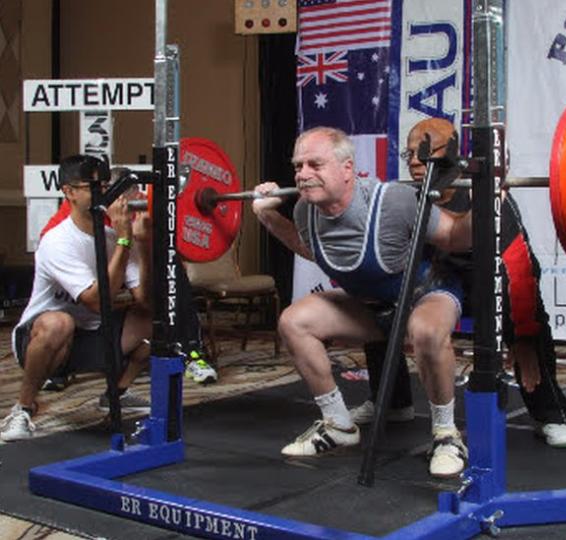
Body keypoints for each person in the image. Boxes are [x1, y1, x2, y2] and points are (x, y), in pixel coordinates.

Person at [252, 126, 473, 478]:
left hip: (424, 295)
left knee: (426, 332)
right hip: (372, 308)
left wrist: (491, 193)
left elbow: (452, 236)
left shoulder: (393, 201)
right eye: (298, 167)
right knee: (294, 321)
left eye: (315, 164)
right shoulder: (304, 213)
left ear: (347, 169)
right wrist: (268, 217)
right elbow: (310, 249)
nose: (303, 175)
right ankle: (337, 424)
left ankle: (446, 435)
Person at [349, 118, 566, 449]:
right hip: (439, 286)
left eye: (426, 152)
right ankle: (396, 403)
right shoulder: (407, 197)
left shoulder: (484, 196)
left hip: (487, 285)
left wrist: (523, 335)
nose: (414, 160)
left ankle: (551, 414)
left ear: (454, 152)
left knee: (527, 319)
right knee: (381, 303)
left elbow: (519, 267)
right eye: (409, 153)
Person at [1, 155, 153, 443]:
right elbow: (96, 301)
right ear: (68, 191)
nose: (103, 194)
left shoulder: (114, 235)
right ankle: (21, 409)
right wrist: (123, 241)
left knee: (151, 320)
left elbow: (143, 299)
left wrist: (142, 244)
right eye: (92, 188)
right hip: (41, 340)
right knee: (60, 322)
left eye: (106, 186)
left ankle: (115, 394)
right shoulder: (58, 241)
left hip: (92, 335)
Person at [36, 168, 218, 386]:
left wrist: (141, 241)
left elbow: (148, 264)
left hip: (121, 261)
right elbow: (61, 261)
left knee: (171, 270)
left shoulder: (138, 204)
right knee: (61, 316)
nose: (132, 204)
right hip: (84, 275)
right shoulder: (68, 222)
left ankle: (191, 352)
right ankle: (54, 369)